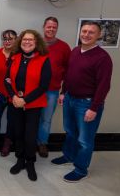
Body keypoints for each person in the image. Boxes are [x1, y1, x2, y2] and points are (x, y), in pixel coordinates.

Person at [51, 21, 112, 182]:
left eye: (91, 32)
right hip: (70, 98)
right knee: (70, 132)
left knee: (85, 140)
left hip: (87, 103)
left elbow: (104, 86)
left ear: (98, 35)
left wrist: (94, 108)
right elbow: (69, 75)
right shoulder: (75, 51)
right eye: (84, 31)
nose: (86, 34)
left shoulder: (103, 58)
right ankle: (69, 155)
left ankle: (81, 169)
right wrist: (64, 92)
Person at [7, 29, 51, 181]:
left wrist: (24, 100)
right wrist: (13, 96)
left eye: (30, 39)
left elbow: (43, 86)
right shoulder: (14, 58)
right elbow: (7, 80)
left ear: (36, 42)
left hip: (33, 104)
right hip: (15, 103)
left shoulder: (44, 60)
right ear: (20, 42)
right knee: (18, 133)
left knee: (30, 136)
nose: (27, 42)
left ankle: (30, 162)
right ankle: (20, 160)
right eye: (24, 39)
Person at [37, 17, 71, 158]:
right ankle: (29, 142)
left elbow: (68, 70)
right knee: (31, 118)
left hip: (52, 90)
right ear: (43, 27)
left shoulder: (64, 47)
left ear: (56, 29)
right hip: (34, 90)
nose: (51, 29)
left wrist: (64, 91)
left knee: (46, 119)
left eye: (54, 27)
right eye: (48, 26)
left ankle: (42, 143)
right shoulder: (35, 44)